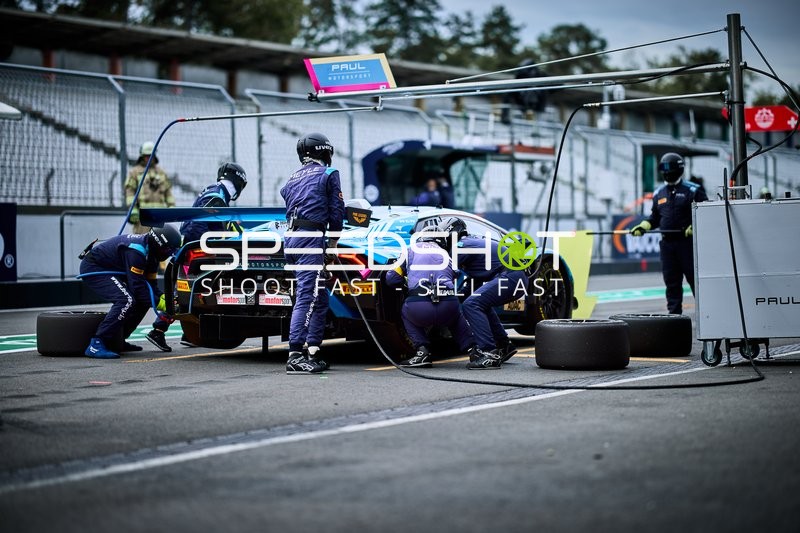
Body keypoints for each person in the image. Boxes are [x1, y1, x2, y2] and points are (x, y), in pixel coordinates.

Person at [144, 162, 248, 352]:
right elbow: (201, 226)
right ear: (238, 181)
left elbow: (225, 226)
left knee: (198, 291)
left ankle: (189, 333)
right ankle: (158, 330)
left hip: (195, 248)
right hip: (195, 251)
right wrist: (205, 248)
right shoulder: (215, 195)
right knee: (185, 292)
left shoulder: (215, 193)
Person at [280, 132, 345, 374]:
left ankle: (313, 350)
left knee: (319, 297)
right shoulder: (329, 173)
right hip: (311, 239)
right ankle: (295, 354)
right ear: (325, 151)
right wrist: (334, 243)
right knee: (307, 296)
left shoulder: (292, 177)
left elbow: (285, 195)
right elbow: (337, 211)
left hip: (291, 239)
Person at [384, 227, 493, 367]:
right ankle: (474, 351)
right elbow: (457, 274)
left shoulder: (409, 250)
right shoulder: (446, 254)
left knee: (405, 312)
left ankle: (422, 351)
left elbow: (391, 279)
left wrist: (407, 281)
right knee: (455, 317)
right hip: (448, 304)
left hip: (419, 306)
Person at [79, 225, 181, 359]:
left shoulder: (153, 256)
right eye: (168, 249)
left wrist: (164, 298)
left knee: (143, 301)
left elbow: (151, 286)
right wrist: (161, 304)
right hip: (94, 268)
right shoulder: (136, 251)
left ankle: (119, 339)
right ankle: (96, 343)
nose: (169, 253)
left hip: (113, 269)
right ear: (159, 244)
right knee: (126, 300)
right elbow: (137, 288)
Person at [630, 152, 708, 314]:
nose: (666, 172)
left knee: (695, 281)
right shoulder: (659, 193)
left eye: (668, 168)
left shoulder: (693, 191)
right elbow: (654, 218)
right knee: (671, 283)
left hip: (687, 244)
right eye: (663, 168)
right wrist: (643, 226)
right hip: (667, 245)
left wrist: (695, 225)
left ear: (678, 169)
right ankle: (674, 319)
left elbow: (706, 214)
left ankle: (706, 315)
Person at [441, 217, 523, 369]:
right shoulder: (470, 243)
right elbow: (474, 284)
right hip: (514, 276)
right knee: (479, 302)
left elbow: (446, 273)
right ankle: (503, 345)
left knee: (472, 304)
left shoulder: (460, 245)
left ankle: (488, 352)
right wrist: (458, 296)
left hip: (509, 276)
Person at [125, 141, 176, 235]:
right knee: (142, 241)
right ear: (142, 156)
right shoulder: (135, 172)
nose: (149, 158)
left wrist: (171, 206)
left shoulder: (161, 172)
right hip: (143, 216)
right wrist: (133, 209)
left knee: (160, 242)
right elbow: (130, 192)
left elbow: (168, 191)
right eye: (146, 155)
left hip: (159, 216)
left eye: (151, 155)